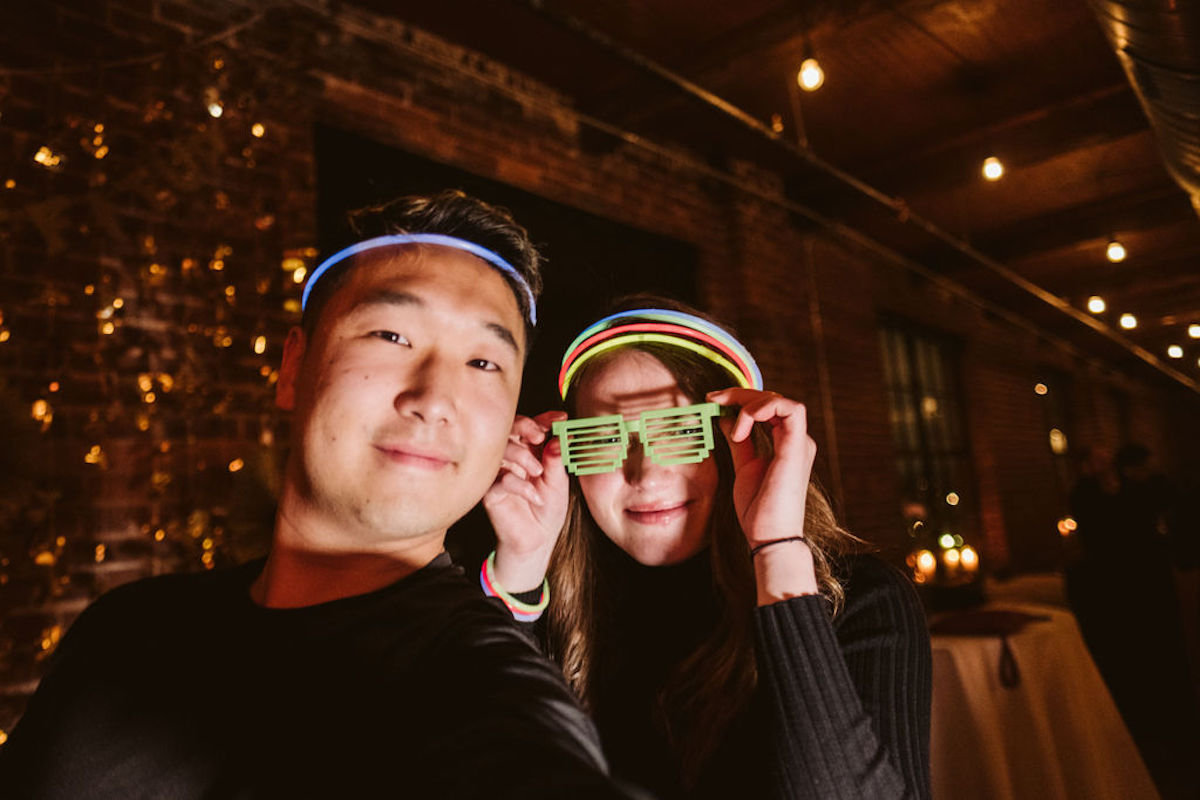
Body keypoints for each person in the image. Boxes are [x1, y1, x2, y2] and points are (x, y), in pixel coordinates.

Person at [0, 191, 640, 798]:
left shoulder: (473, 681)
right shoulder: (127, 629)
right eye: (391, 336)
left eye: (484, 364)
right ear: (293, 367)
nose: (435, 399)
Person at [481, 297, 932, 799]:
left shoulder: (863, 602)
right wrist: (520, 565)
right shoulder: (546, 611)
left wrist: (777, 548)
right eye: (604, 438)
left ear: (732, 443)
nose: (645, 474)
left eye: (678, 432)